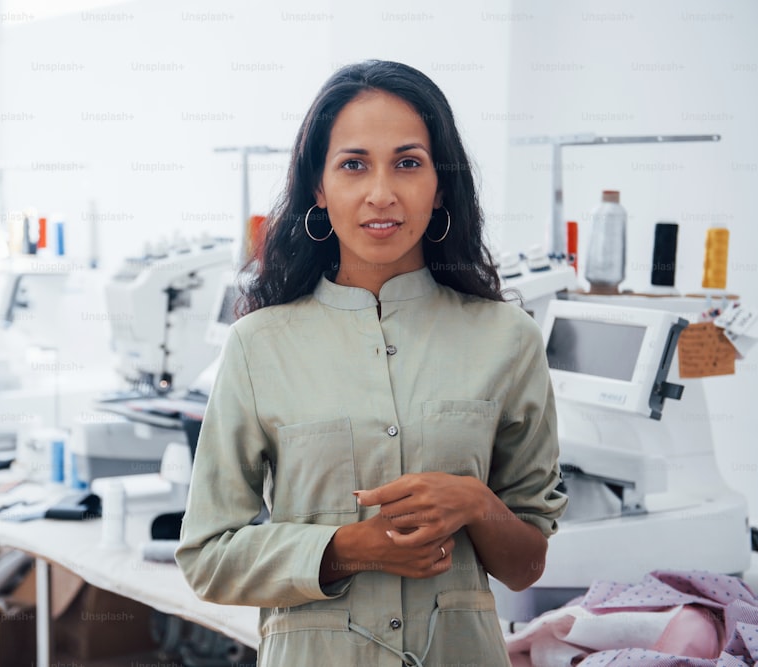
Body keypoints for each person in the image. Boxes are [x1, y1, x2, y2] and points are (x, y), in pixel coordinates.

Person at [175, 60, 567, 667]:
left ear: (440, 185)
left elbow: (525, 566)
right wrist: (348, 548)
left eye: (408, 163)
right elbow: (207, 558)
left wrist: (475, 503)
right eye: (354, 164)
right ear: (318, 186)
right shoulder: (257, 345)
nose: (381, 193)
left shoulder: (507, 339)